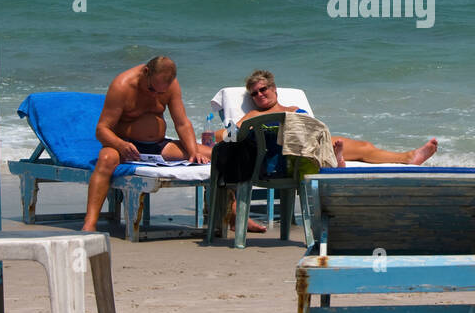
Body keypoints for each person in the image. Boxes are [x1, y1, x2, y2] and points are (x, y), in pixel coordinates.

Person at [82, 56, 208, 232]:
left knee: (214, 154)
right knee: (106, 159)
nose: (154, 95)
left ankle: (230, 215)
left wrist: (193, 151)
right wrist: (120, 145)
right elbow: (102, 130)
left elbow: (182, 123)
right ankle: (90, 223)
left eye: (160, 93)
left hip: (157, 146)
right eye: (151, 89)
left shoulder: (169, 85)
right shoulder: (122, 86)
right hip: (125, 145)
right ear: (146, 72)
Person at [237, 70, 438, 165]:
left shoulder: (294, 108)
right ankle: (337, 160)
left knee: (365, 147)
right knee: (335, 148)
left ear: (274, 89)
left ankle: (407, 157)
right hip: (285, 155)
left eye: (263, 89)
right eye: (254, 93)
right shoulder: (253, 115)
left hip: (313, 144)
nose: (259, 95)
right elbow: (227, 135)